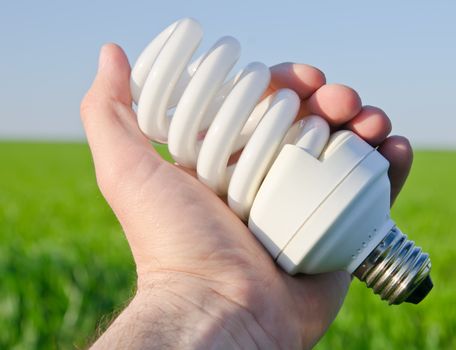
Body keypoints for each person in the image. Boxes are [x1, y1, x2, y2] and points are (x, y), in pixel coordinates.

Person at [81, 44, 413, 349]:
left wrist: (200, 302)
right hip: (312, 192)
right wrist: (198, 293)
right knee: (295, 106)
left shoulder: (327, 241)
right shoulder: (359, 205)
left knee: (295, 105)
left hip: (308, 198)